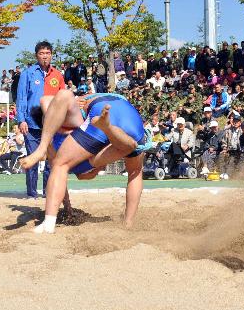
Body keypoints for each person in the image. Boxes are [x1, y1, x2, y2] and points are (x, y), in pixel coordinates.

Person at [20, 90, 148, 233]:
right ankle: (128, 223)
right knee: (135, 170)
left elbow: (62, 172)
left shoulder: (57, 134)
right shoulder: (75, 108)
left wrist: (67, 206)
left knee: (62, 165)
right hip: (130, 118)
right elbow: (47, 100)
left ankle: (49, 224)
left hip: (97, 122)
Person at [15, 41, 65, 199]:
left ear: (51, 55)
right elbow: (21, 98)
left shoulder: (57, 75)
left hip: (52, 125)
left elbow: (63, 98)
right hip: (31, 124)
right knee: (33, 159)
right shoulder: (27, 73)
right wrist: (21, 119)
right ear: (37, 56)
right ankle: (32, 193)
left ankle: (47, 192)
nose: (45, 56)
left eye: (47, 53)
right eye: (42, 53)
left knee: (52, 160)